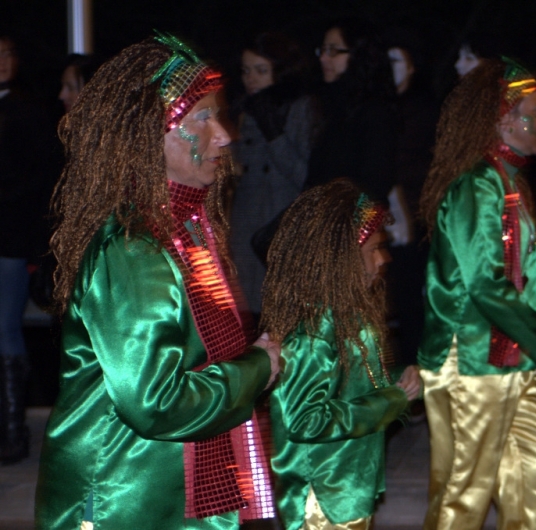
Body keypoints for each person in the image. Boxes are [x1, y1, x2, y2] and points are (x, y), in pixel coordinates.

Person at [34, 34, 281, 530]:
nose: (224, 135)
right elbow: (155, 402)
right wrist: (259, 366)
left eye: (219, 115)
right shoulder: (134, 247)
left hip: (168, 496)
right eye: (202, 118)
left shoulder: (186, 227)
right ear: (150, 134)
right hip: (122, 500)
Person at [417, 58, 536, 530]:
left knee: (535, 470)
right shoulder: (475, 186)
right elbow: (484, 283)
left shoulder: (507, 180)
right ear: (503, 120)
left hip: (512, 357)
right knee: (464, 494)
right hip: (471, 359)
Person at [262, 179, 420, 530]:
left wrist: (401, 381)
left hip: (348, 488)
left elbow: (356, 386)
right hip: (323, 499)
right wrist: (392, 400)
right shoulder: (314, 330)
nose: (384, 259)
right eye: (374, 249)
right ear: (343, 259)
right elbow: (306, 421)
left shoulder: (349, 316)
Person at [229, 31, 319, 320]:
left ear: (281, 71)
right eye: (246, 71)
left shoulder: (300, 107)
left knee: (280, 309)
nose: (251, 78)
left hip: (281, 220)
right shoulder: (244, 110)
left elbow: (303, 174)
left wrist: (274, 134)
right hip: (246, 222)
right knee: (247, 310)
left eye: (261, 70)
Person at [0, 33, 57, 465]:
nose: (3, 61)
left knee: (5, 327)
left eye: (7, 54)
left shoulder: (27, 112)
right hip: (12, 236)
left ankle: (12, 429)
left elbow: (41, 178)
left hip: (11, 239)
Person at [383, 28, 439, 367]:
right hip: (385, 215)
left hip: (415, 218)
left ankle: (415, 369)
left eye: (396, 61)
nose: (390, 68)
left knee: (410, 300)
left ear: (413, 66)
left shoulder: (423, 110)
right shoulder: (381, 107)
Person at [304, 18, 398, 202]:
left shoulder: (375, 112)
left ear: (358, 54)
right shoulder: (330, 105)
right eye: (323, 50)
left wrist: (351, 221)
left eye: (333, 51)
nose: (323, 58)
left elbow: (375, 186)